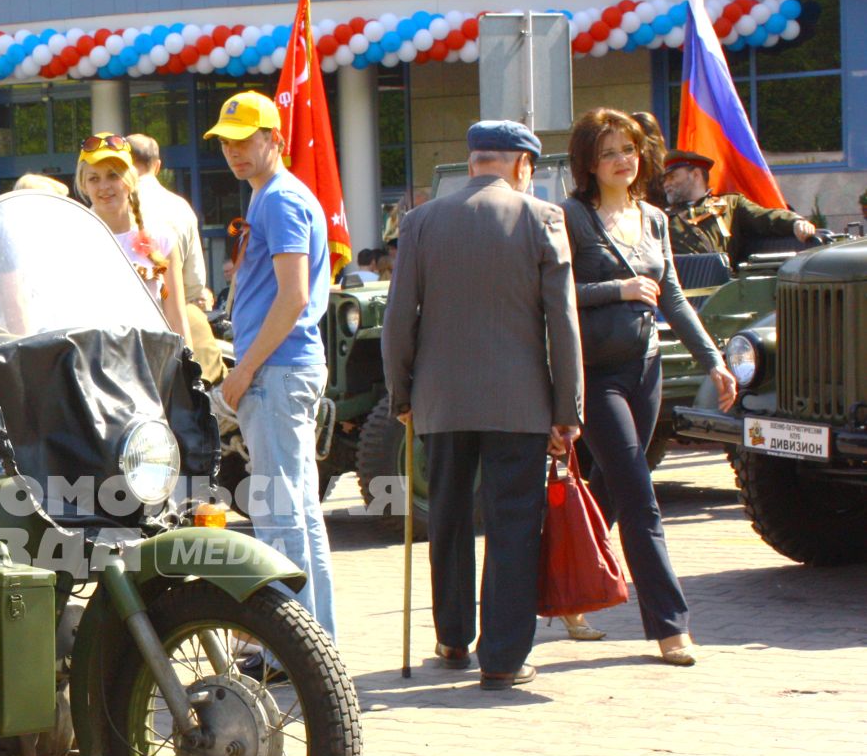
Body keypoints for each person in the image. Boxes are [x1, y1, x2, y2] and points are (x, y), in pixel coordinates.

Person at [382, 120, 582, 690]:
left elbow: (399, 320)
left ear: (472, 163)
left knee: (445, 517)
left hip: (440, 402)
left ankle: (450, 637)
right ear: (523, 165)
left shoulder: (420, 222)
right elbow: (561, 323)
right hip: (519, 404)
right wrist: (567, 408)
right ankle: (502, 657)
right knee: (513, 524)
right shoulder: (543, 218)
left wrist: (402, 393)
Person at [561, 109, 738, 666]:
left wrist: (714, 361)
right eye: (611, 151)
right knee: (640, 495)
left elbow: (674, 299)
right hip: (597, 374)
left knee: (609, 490)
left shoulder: (655, 219)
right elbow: (556, 293)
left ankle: (569, 589)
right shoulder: (570, 216)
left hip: (648, 370)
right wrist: (617, 288)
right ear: (590, 162)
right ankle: (670, 625)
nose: (623, 160)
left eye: (630, 149)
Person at [204, 92, 337, 642]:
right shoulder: (273, 196)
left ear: (274, 139)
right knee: (298, 515)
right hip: (285, 368)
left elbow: (293, 297)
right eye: (228, 142)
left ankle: (293, 653)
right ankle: (313, 645)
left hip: (276, 370)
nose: (235, 152)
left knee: (283, 518)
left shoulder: (279, 200)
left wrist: (244, 369)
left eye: (246, 140)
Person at [74, 133, 188, 337]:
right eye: (94, 179)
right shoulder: (72, 240)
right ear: (84, 185)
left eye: (113, 175)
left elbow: (176, 318)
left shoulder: (161, 236)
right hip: (90, 362)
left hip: (148, 360)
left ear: (130, 180)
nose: (104, 187)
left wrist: (189, 365)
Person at [662, 149, 816, 267]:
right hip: (679, 289)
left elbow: (764, 218)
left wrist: (795, 222)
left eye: (672, 177)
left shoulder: (730, 204)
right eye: (664, 180)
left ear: (695, 175)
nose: (666, 184)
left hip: (722, 288)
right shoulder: (660, 216)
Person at [127, 132, 212, 310]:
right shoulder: (181, 208)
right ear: (157, 166)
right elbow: (195, 281)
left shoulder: (110, 207)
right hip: (174, 317)